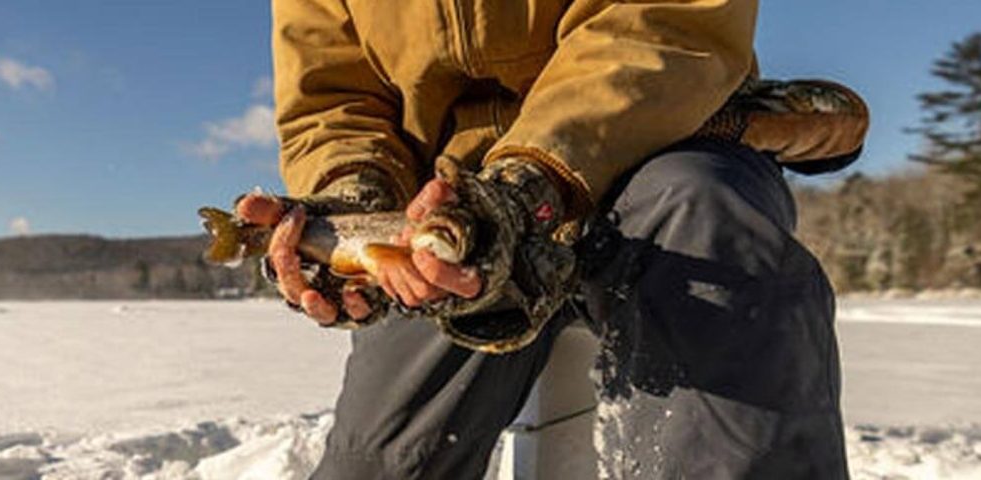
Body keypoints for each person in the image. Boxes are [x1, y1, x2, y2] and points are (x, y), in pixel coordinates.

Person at [236, 0, 861, 477]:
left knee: (701, 211)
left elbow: (668, 23)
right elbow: (333, 99)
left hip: (658, 148)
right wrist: (352, 198)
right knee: (380, 462)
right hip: (450, 209)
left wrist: (529, 185)